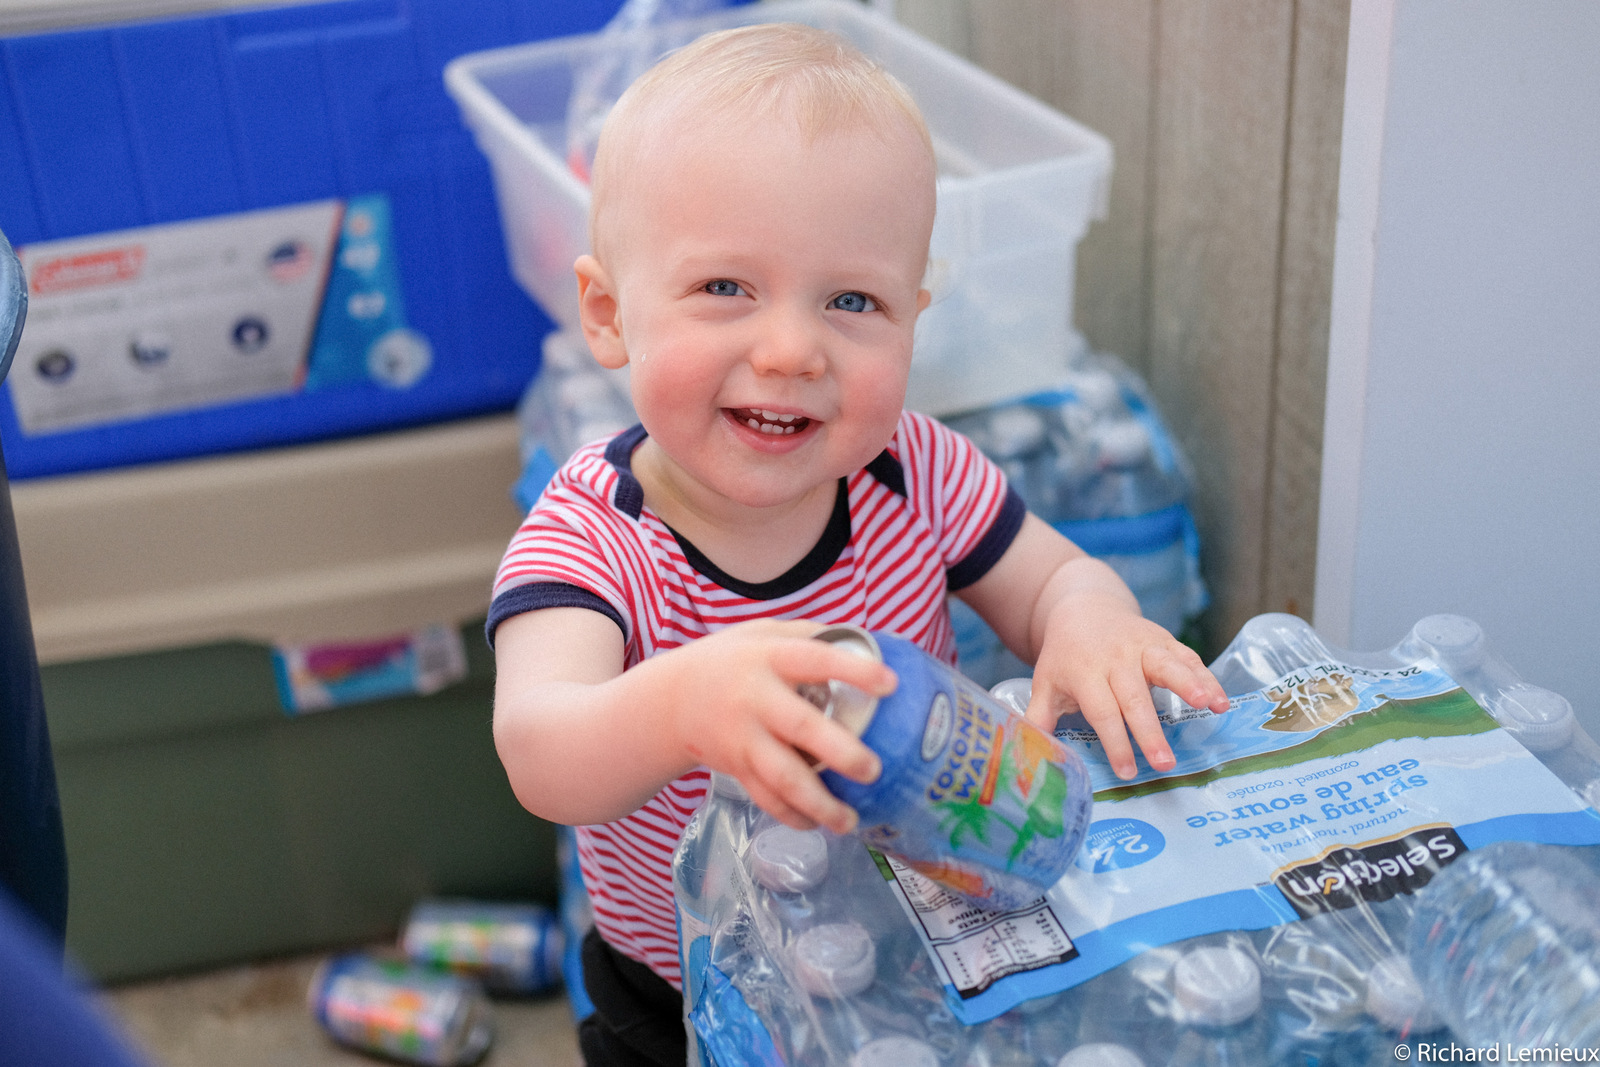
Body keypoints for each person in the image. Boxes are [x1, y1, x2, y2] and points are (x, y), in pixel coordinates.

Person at [488, 22, 1230, 1066]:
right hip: (683, 999)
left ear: (911, 322)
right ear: (610, 315)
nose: (791, 349)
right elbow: (541, 749)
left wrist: (1092, 622)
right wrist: (685, 703)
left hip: (919, 954)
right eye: (724, 288)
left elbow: (1055, 575)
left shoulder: (911, 470)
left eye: (852, 300)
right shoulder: (592, 537)